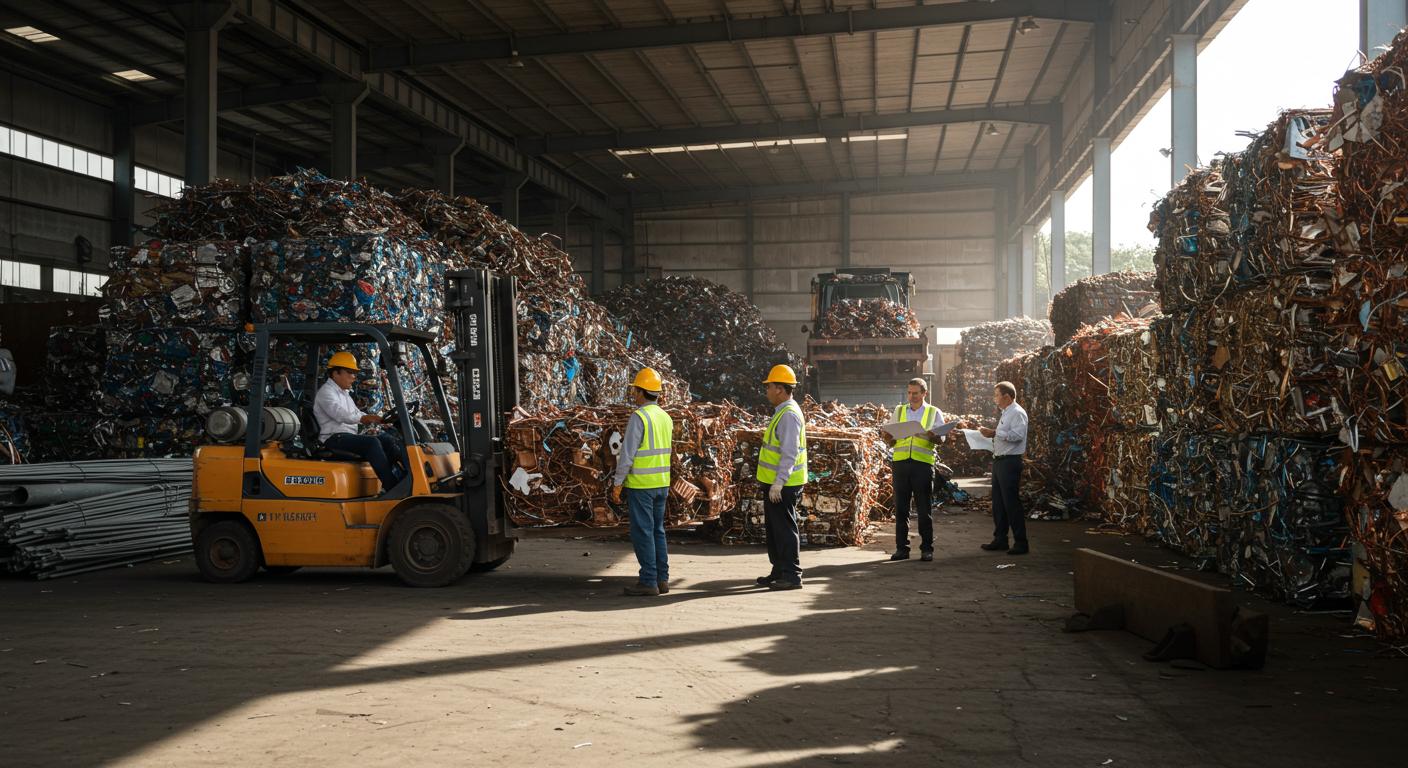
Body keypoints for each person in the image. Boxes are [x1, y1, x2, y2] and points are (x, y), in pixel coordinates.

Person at [610, 368, 673, 597]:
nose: (633, 394)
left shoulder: (639, 417)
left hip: (641, 486)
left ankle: (648, 581)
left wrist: (618, 483)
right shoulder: (665, 417)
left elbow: (627, 455)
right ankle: (662, 579)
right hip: (661, 484)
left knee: (643, 532)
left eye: (634, 390)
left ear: (640, 391)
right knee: (658, 531)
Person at [313, 351, 406, 494]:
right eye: (350, 372)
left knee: (387, 440)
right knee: (372, 443)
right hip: (333, 439)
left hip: (346, 437)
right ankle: (392, 487)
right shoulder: (326, 393)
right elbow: (339, 414)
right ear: (335, 373)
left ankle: (406, 478)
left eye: (354, 373)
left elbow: (356, 413)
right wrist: (364, 419)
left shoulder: (344, 393)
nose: (354, 377)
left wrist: (379, 420)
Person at [755, 364, 808, 590]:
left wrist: (779, 482)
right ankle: (779, 570)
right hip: (775, 483)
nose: (766, 391)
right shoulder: (782, 412)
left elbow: (790, 452)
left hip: (784, 485)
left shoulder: (788, 415)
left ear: (779, 389)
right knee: (776, 529)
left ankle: (792, 575)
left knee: (785, 528)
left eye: (769, 386)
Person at [885, 377, 944, 562]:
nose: (912, 396)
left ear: (924, 393)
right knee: (901, 509)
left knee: (924, 509)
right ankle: (902, 549)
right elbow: (891, 438)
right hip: (901, 463)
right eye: (909, 392)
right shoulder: (899, 410)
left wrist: (933, 436)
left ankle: (927, 549)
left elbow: (941, 439)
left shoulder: (934, 412)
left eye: (915, 393)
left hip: (922, 465)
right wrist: (888, 437)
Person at [979, 381, 1029, 555]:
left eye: (996, 395)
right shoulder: (1006, 413)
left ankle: (1021, 543)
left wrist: (994, 433)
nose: (995, 399)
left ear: (1007, 396)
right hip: (1000, 461)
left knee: (1011, 503)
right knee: (999, 503)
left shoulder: (1017, 413)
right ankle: (1000, 539)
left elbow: (1017, 435)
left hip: (1010, 462)